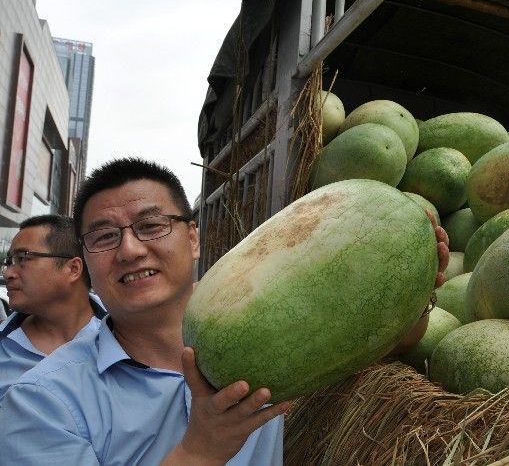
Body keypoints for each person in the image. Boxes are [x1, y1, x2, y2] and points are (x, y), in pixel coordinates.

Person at [0, 157, 448, 465]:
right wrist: (201, 450)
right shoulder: (42, 401)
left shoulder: (265, 320)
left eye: (152, 226)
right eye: (104, 236)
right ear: (85, 260)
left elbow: (373, 349)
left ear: (192, 238)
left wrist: (412, 288)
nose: (131, 250)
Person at [0, 215, 106, 398]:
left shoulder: (126, 344)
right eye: (9, 261)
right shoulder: (5, 347)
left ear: (73, 269)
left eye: (23, 258)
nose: (8, 273)